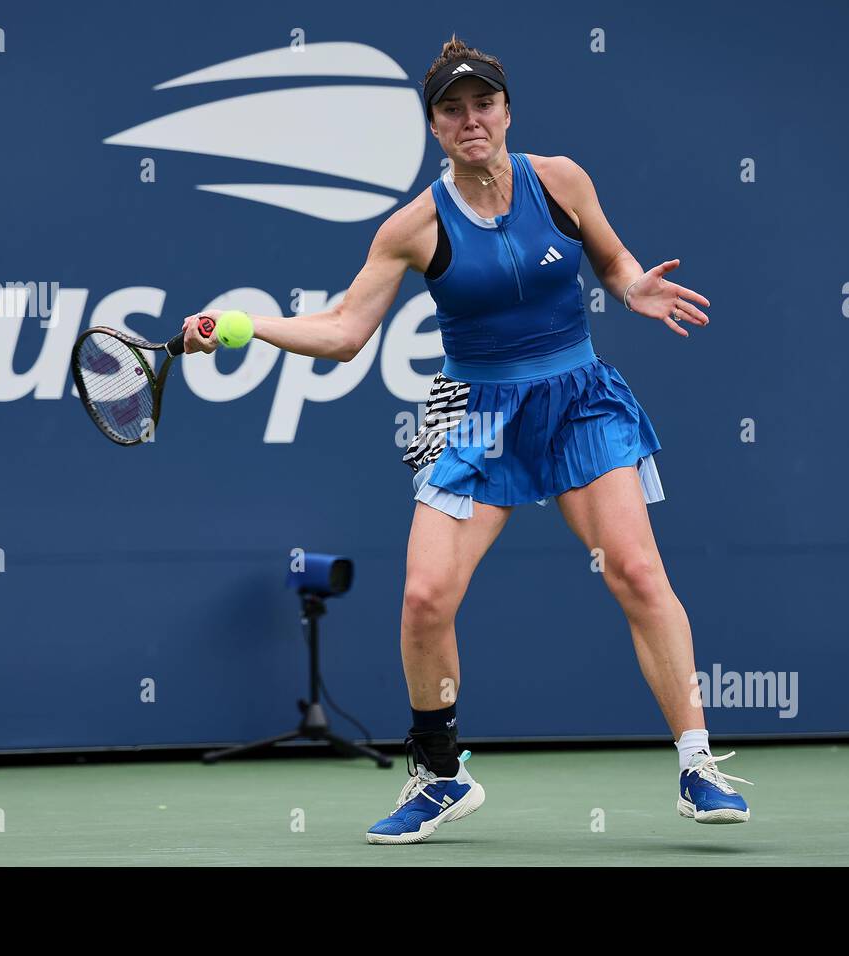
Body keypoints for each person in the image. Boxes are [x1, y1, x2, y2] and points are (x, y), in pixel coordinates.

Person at [183, 35, 752, 845]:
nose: (470, 119)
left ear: (507, 110)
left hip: (578, 396)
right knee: (423, 599)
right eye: (451, 110)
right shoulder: (412, 226)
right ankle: (441, 775)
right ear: (435, 128)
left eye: (483, 103)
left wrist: (633, 287)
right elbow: (345, 330)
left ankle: (698, 763)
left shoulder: (561, 180)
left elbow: (616, 263)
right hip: (473, 409)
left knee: (634, 568)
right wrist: (243, 325)